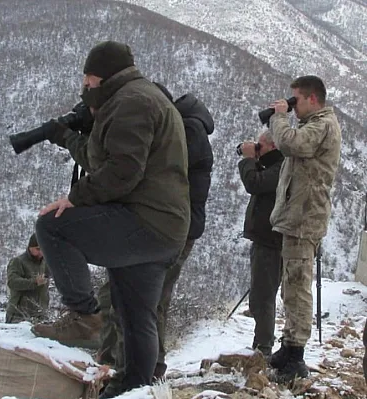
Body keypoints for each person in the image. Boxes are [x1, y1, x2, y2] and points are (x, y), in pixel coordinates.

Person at [30, 40, 190, 394]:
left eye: (87, 80)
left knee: (52, 226)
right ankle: (136, 386)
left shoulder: (131, 103)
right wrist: (72, 137)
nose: (85, 88)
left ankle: (85, 316)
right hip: (164, 228)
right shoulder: (139, 96)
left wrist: (75, 197)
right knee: (136, 314)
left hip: (144, 223)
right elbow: (106, 160)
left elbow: (122, 171)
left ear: (99, 76)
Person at [96, 85, 214, 388]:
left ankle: (138, 373)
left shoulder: (188, 132)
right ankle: (140, 367)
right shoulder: (185, 126)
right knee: (146, 301)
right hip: (170, 227)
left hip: (171, 229)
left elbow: (148, 171)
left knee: (142, 301)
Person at [267, 75, 341, 381]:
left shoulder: (322, 125)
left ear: (312, 98)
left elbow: (290, 143)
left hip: (304, 218)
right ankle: (289, 344)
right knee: (291, 284)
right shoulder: (317, 124)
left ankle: (296, 355)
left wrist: (280, 116)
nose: (293, 106)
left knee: (297, 286)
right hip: (298, 216)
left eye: (296, 100)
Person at [238, 130, 285, 358]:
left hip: (271, 241)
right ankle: (262, 344)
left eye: (261, 146)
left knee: (263, 296)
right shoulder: (274, 166)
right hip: (265, 239)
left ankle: (263, 348)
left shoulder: (282, 167)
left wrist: (248, 160)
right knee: (259, 296)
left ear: (274, 145)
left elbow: (254, 184)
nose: (259, 149)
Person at [5, 234, 50, 323]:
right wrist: (34, 282)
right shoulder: (18, 261)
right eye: (38, 249)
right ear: (30, 247)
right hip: (19, 315)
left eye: (43, 249)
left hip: (40, 314)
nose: (41, 252)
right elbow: (12, 282)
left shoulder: (45, 262)